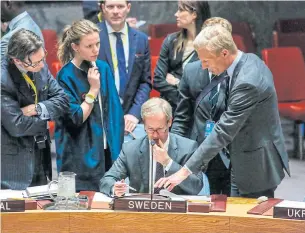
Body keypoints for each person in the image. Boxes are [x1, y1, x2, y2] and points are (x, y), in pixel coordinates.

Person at [155, 24, 290, 198]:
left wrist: (184, 171)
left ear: (224, 53)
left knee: (251, 222)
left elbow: (224, 131)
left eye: (206, 60)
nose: (203, 66)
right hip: (239, 157)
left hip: (254, 163)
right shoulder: (247, 59)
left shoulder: (247, 82)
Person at [55, 19, 124, 192]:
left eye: (98, 44)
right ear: (75, 47)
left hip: (108, 151)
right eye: (89, 46)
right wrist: (93, 89)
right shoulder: (65, 76)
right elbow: (76, 118)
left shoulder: (103, 68)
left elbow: (115, 112)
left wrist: (117, 151)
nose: (96, 50)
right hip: (80, 156)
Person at [171, 17, 233, 196]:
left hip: (232, 152)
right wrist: (174, 149)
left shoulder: (240, 71)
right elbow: (182, 116)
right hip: (199, 148)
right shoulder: (191, 71)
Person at [1, 29, 68, 190]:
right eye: (36, 63)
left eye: (43, 58)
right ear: (17, 60)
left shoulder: (40, 67)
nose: (42, 65)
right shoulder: (3, 80)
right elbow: (16, 125)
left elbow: (63, 100)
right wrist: (44, 124)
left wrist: (37, 108)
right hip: (14, 167)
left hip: (41, 155)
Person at [100, 98, 203, 197]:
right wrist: (115, 187)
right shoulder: (130, 150)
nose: (155, 135)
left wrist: (168, 162)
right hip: (142, 211)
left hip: (177, 211)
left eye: (160, 129)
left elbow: (196, 186)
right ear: (144, 125)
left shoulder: (188, 148)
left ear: (169, 122)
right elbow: (107, 180)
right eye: (150, 129)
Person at [97, 0, 151, 137]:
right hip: (99, 116)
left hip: (130, 117)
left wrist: (134, 113)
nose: (115, 11)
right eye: (110, 6)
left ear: (128, 7)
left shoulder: (141, 39)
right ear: (103, 8)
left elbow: (145, 82)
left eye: (120, 6)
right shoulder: (92, 37)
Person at [153, 1, 210, 114]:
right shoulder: (171, 40)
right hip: (172, 110)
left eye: (181, 10)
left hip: (200, 112)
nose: (176, 14)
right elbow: (158, 80)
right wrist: (184, 101)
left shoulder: (210, 43)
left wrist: (177, 82)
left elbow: (203, 86)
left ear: (194, 14)